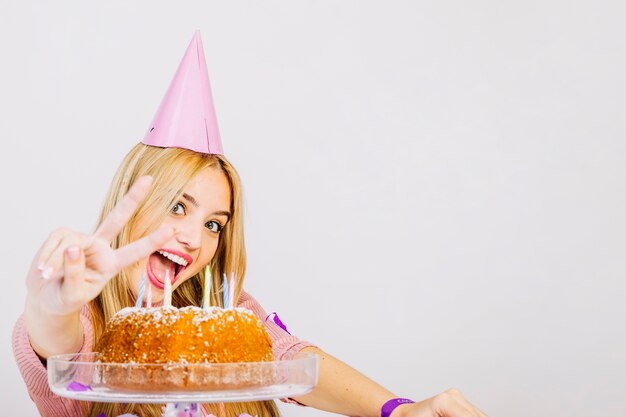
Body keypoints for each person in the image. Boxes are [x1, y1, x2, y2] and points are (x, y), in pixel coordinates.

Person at [12, 32, 488, 417]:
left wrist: (400, 412)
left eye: (215, 224)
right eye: (178, 207)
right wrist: (51, 306)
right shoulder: (86, 325)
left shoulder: (226, 315)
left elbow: (293, 362)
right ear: (133, 200)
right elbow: (57, 347)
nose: (195, 239)